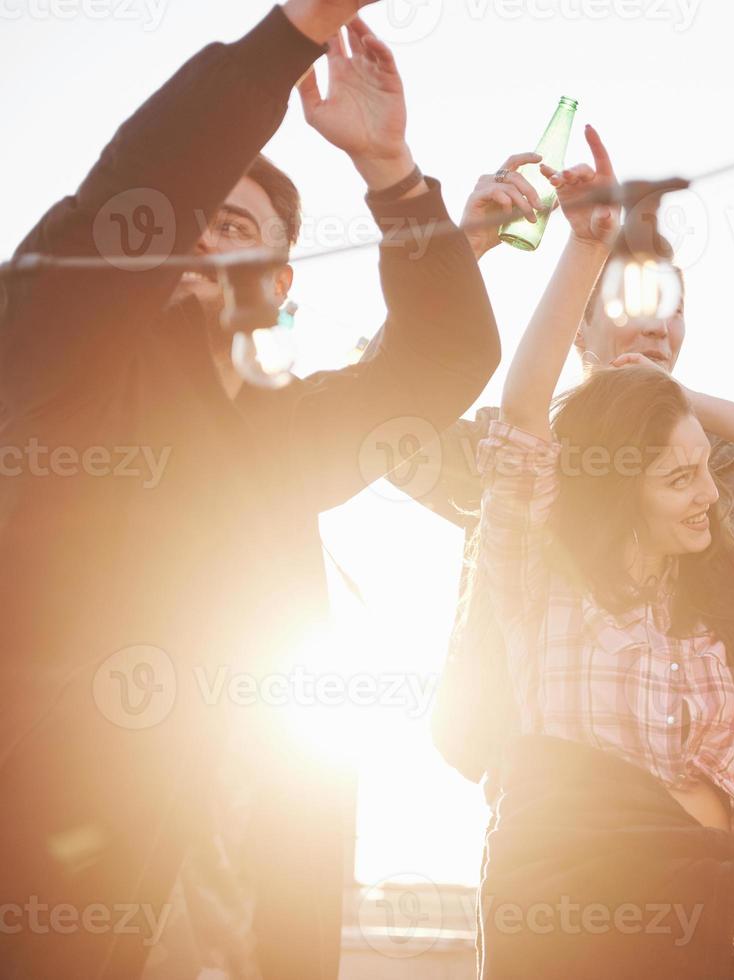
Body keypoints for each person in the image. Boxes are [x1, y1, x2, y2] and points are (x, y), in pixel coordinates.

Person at [0, 3, 501, 977]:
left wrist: (393, 177)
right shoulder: (52, 345)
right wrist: (291, 36)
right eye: (188, 212)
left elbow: (441, 359)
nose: (191, 234)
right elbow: (135, 184)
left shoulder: (280, 439)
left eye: (229, 223)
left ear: (277, 283)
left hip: (170, 884)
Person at [421, 97, 734, 802]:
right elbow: (392, 420)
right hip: (552, 814)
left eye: (670, 303)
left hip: (700, 801)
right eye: (623, 301)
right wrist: (463, 250)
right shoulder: (515, 465)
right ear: (576, 333)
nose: (654, 322)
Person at [472, 126, 734, 979]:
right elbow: (525, 416)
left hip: (719, 917)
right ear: (618, 489)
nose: (710, 494)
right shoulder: (542, 577)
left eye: (704, 471)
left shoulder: (724, 583)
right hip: (580, 907)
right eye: (680, 478)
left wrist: (672, 396)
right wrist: (581, 249)